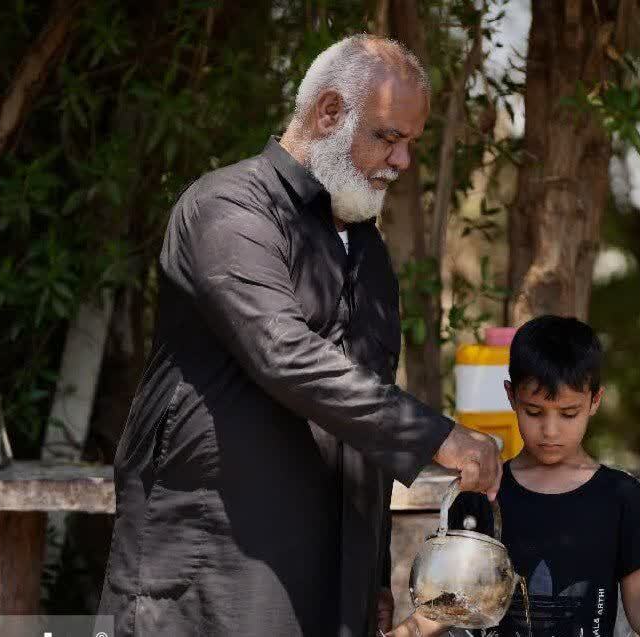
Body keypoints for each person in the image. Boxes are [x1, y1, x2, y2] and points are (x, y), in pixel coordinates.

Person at [97, 34, 502, 637]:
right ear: (329, 113)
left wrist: (372, 578)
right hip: (217, 569)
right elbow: (283, 352)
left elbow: (362, 416)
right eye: (388, 137)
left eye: (411, 144)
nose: (402, 162)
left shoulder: (368, 251)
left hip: (332, 581)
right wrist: (437, 436)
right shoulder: (229, 207)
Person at [448, 316, 640, 637]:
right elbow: (453, 595)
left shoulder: (621, 495)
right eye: (534, 411)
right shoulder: (486, 494)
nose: (550, 431)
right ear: (511, 396)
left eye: (568, 413)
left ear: (595, 401)